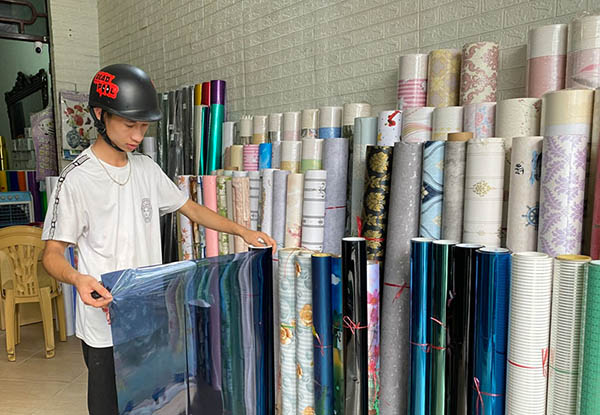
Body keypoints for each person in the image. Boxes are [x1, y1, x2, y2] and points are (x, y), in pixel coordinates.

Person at [41, 64, 276, 415]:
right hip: (106, 322)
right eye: (129, 125)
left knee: (153, 404)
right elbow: (52, 253)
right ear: (100, 115)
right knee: (109, 407)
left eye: (144, 126)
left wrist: (242, 231)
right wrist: (77, 279)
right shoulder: (75, 180)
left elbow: (191, 209)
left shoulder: (147, 169)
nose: (137, 136)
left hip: (151, 316)